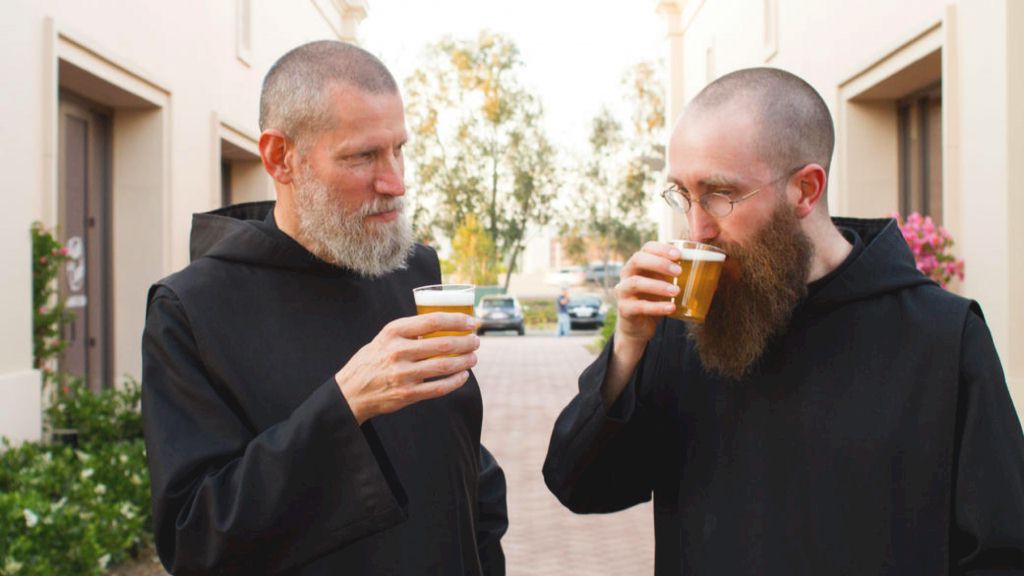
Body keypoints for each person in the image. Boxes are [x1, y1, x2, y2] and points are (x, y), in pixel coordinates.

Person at [543, 67, 1024, 575]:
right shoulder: (686, 324)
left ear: (805, 190)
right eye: (682, 194)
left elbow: (1002, 551)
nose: (697, 226)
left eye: (720, 194)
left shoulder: (941, 336)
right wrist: (627, 348)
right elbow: (580, 485)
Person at [142, 41, 507, 575]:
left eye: (398, 149)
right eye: (363, 156)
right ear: (280, 157)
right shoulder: (191, 311)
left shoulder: (415, 274)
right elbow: (195, 538)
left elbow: (467, 466)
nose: (396, 183)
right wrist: (345, 405)